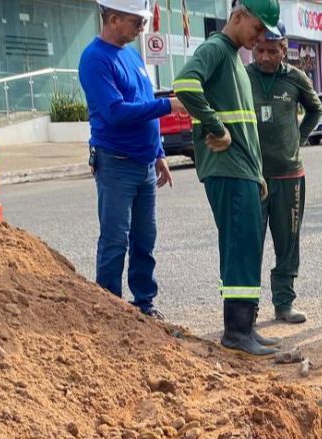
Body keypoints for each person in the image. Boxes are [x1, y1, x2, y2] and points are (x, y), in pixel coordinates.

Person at [174, 0, 283, 356]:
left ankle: (246, 326)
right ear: (238, 16)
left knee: (247, 245)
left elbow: (244, 126)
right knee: (239, 247)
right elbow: (186, 85)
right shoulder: (215, 49)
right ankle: (237, 332)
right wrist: (215, 127)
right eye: (256, 29)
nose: (258, 38)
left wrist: (255, 172)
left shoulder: (234, 57)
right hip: (227, 170)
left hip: (242, 171)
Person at [79, 0, 185, 320]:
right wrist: (169, 106)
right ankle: (109, 306)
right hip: (116, 162)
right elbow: (115, 112)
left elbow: (142, 102)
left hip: (143, 162)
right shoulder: (95, 59)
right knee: (115, 238)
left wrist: (159, 154)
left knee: (144, 238)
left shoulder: (132, 55)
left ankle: (143, 304)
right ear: (112, 19)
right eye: (136, 23)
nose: (142, 29)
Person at [247, 21, 322, 324]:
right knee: (249, 242)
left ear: (283, 49)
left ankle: (284, 302)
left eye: (272, 51)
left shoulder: (295, 79)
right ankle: (247, 306)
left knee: (287, 243)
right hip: (252, 175)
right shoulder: (243, 77)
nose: (265, 57)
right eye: (260, 50)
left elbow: (315, 110)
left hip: (289, 176)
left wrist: (298, 138)